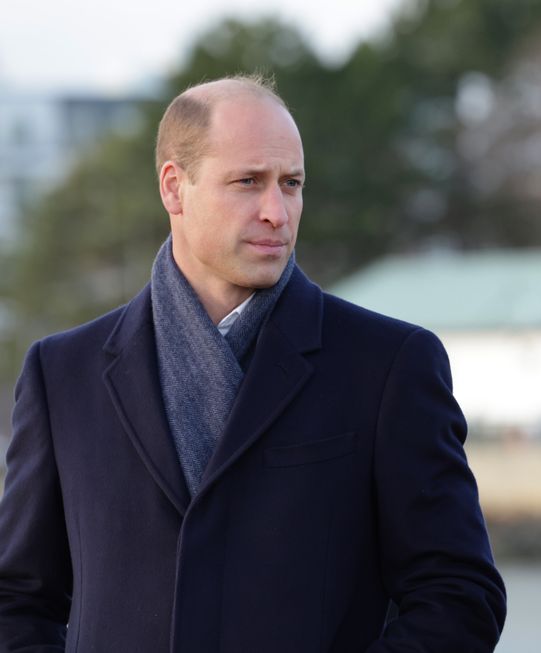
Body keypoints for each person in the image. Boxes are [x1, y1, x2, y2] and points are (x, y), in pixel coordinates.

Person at [0, 75, 505, 652]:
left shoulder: (389, 364)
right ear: (174, 187)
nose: (277, 211)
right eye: (248, 182)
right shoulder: (63, 372)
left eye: (291, 184)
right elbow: (18, 597)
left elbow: (459, 595)